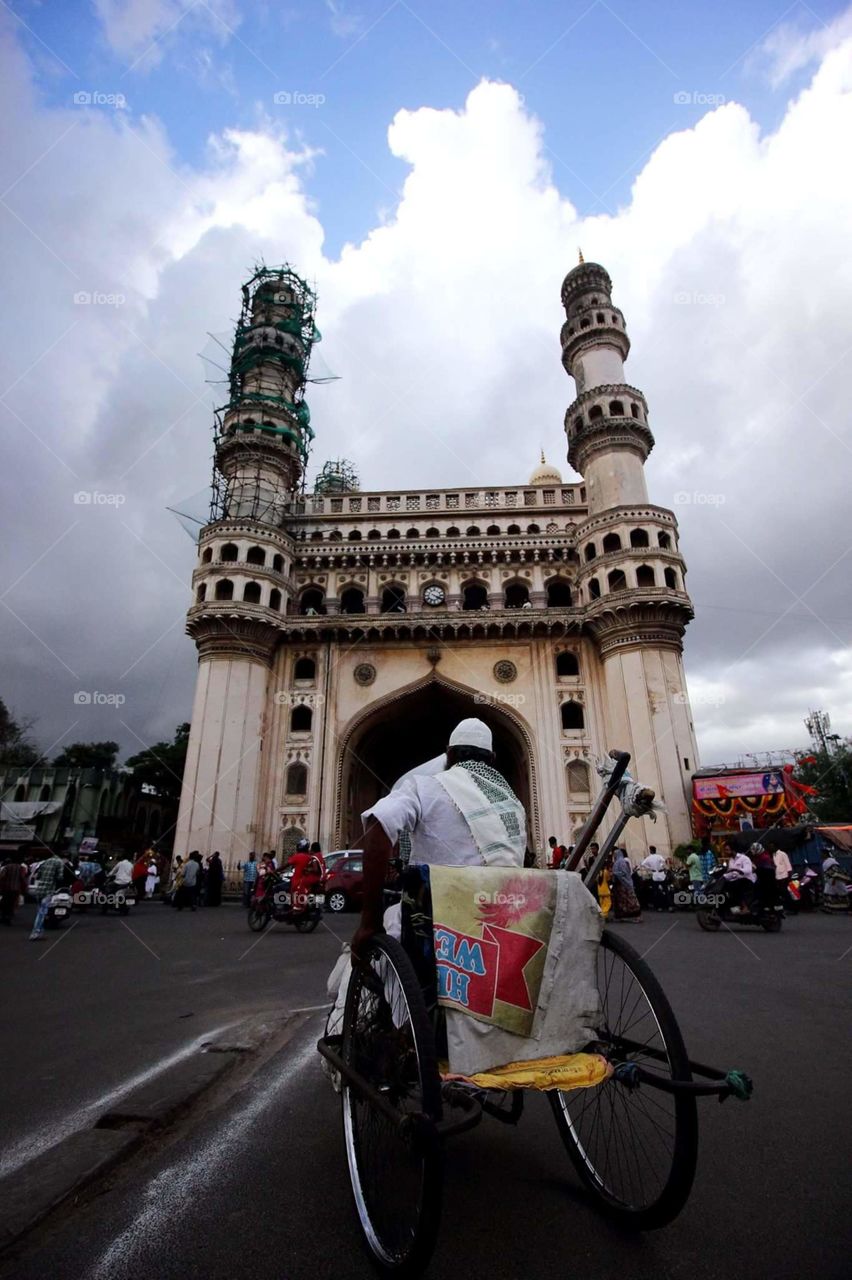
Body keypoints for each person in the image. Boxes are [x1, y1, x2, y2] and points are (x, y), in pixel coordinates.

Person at [350, 717, 526, 963]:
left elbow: (378, 822)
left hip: (435, 923)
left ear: (449, 756)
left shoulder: (424, 787)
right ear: (492, 760)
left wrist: (369, 922)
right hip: (502, 921)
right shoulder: (512, 805)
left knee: (358, 966)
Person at [28, 850, 67, 940]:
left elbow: (38, 876)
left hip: (40, 889)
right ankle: (35, 932)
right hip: (49, 890)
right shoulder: (59, 863)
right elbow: (60, 877)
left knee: (40, 912)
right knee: (42, 913)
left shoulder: (44, 862)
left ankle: (39, 932)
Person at [610, 848, 642, 920]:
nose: (614, 856)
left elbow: (624, 873)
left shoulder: (621, 862)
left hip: (624, 884)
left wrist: (614, 874)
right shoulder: (617, 862)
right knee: (623, 901)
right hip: (619, 885)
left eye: (615, 854)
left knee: (630, 900)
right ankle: (623, 916)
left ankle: (637, 916)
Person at [722, 844, 755, 912]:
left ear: (733, 850)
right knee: (725, 885)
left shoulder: (744, 858)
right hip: (736, 880)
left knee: (736, 884)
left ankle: (745, 907)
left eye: (727, 850)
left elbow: (748, 870)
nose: (725, 852)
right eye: (725, 850)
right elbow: (730, 873)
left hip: (747, 880)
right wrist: (723, 876)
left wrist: (737, 870)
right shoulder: (731, 860)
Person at [0, 850, 28, 926]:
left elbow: (2, 877)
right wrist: (25, 888)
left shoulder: (7, 867)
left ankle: (3, 916)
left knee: (5, 902)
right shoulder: (21, 868)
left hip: (6, 888)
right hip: (15, 889)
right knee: (12, 904)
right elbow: (22, 878)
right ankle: (8, 918)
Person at [641, 845, 668, 911]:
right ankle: (668, 905)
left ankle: (658, 906)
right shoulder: (659, 856)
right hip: (661, 874)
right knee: (665, 890)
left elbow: (642, 864)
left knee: (656, 891)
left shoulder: (649, 858)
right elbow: (663, 862)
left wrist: (649, 868)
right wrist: (662, 867)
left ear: (650, 851)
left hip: (655, 875)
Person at [596, 854, 612, 919]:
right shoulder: (605, 871)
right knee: (608, 904)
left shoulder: (597, 873)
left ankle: (603, 914)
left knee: (602, 904)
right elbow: (608, 880)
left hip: (599, 891)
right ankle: (604, 915)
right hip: (605, 891)